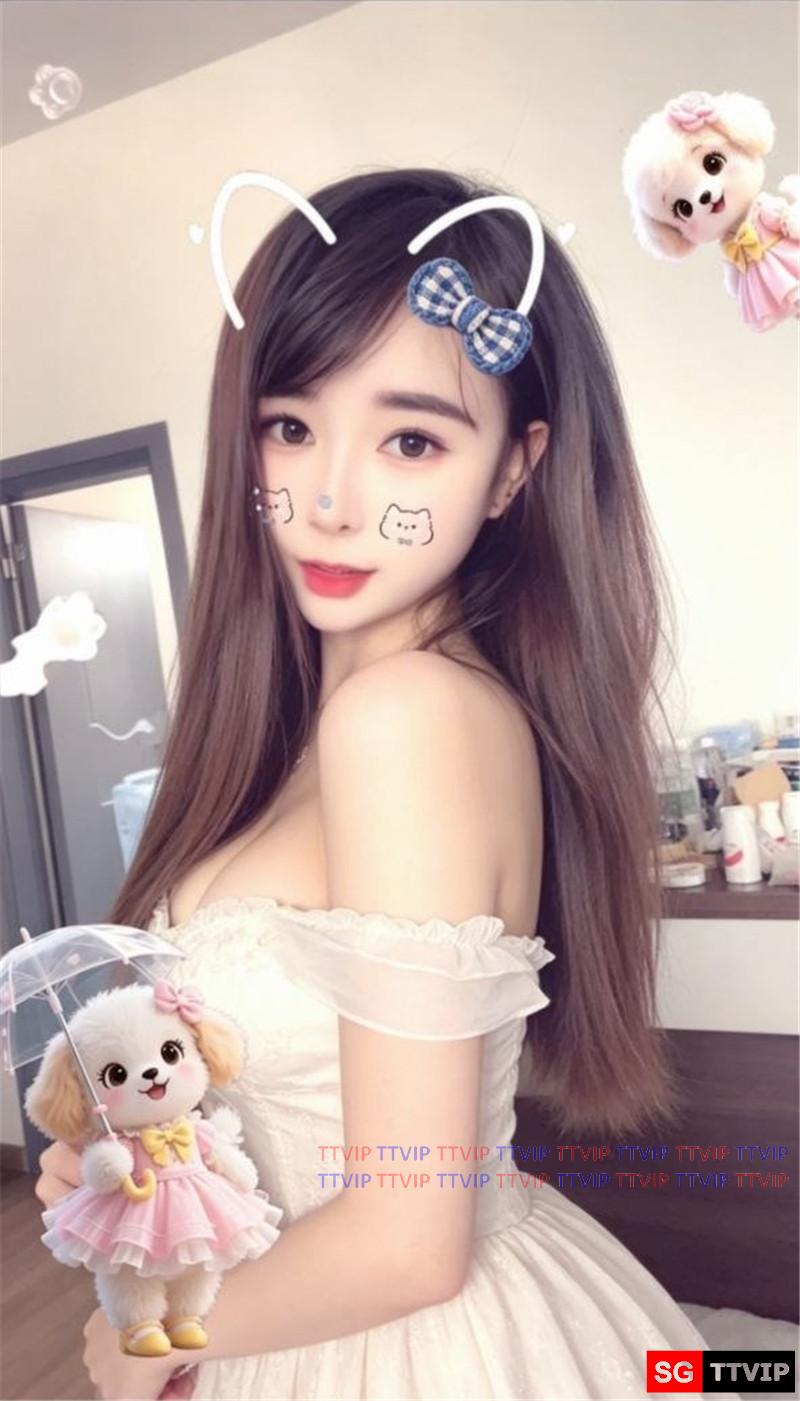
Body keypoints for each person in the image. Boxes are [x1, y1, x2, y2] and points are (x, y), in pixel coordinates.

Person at [36, 167, 731, 1400]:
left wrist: (156, 1335)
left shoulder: (405, 717)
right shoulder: (316, 728)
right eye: (289, 426)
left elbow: (409, 1240)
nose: (329, 500)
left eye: (410, 439)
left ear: (512, 469)